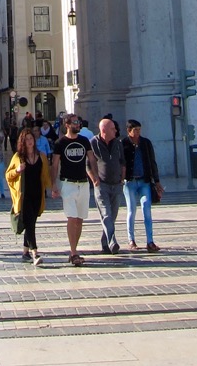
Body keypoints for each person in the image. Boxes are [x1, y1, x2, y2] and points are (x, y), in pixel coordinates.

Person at [50, 113, 100, 266]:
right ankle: (73, 252)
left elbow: (91, 159)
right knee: (72, 218)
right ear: (67, 124)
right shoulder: (60, 143)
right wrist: (54, 185)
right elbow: (55, 165)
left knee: (79, 220)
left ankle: (75, 249)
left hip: (83, 183)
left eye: (78, 122)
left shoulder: (84, 141)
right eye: (75, 122)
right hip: (68, 184)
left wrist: (96, 176)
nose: (78, 125)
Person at [6, 127, 51, 266]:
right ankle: (34, 253)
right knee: (30, 224)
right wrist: (17, 170)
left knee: (31, 223)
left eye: (31, 139)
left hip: (38, 194)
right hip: (24, 195)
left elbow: (45, 175)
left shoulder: (41, 156)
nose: (30, 142)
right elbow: (8, 175)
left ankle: (25, 252)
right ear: (22, 142)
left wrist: (52, 188)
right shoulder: (18, 157)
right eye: (26, 140)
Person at [121, 119, 162, 252]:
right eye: (135, 130)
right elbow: (121, 163)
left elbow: (152, 161)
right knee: (131, 211)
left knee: (147, 210)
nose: (138, 132)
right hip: (130, 182)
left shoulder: (145, 143)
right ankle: (131, 240)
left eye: (139, 130)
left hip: (144, 181)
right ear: (129, 131)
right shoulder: (123, 143)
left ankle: (150, 241)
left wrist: (156, 181)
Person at [90, 117, 124, 254]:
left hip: (116, 184)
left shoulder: (118, 143)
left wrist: (123, 177)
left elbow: (122, 161)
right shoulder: (93, 143)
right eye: (112, 128)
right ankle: (112, 241)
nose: (115, 130)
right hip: (101, 184)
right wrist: (94, 179)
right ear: (104, 130)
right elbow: (88, 164)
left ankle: (105, 242)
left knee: (113, 215)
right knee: (106, 214)